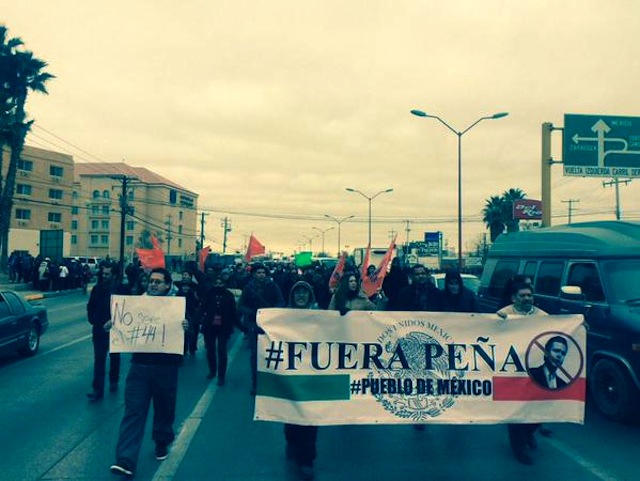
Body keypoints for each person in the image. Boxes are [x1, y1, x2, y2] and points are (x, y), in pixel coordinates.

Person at [109, 268, 189, 477]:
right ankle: (125, 460)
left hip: (165, 367)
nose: (153, 284)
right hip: (139, 368)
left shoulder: (177, 306)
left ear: (167, 285)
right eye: (151, 281)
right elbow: (124, 325)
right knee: (133, 412)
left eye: (158, 281)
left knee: (164, 410)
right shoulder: (135, 305)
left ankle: (162, 440)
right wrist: (113, 325)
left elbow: (188, 329)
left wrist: (187, 325)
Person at [496, 281, 548, 465]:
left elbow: (559, 329)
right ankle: (519, 449)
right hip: (512, 370)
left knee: (538, 409)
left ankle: (527, 434)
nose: (527, 298)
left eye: (529, 295)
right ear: (514, 298)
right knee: (516, 409)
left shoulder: (542, 316)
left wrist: (580, 327)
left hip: (534, 369)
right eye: (522, 295)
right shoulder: (503, 314)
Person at [392, 264, 443, 431]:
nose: (421, 276)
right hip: (412, 341)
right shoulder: (404, 293)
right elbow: (397, 315)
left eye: (423, 273)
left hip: (432, 341)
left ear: (427, 275)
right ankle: (417, 410)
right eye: (417, 274)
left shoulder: (437, 294)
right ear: (412, 276)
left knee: (430, 375)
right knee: (415, 376)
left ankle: (428, 406)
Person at [283, 281, 319, 480]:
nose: (301, 296)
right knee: (292, 415)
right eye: (297, 292)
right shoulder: (282, 317)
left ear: (310, 296)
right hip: (290, 374)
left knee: (311, 417)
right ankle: (291, 440)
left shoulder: (320, 316)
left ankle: (307, 460)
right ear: (292, 296)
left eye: (305, 292)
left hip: (312, 374)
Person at [238, 262, 285, 396]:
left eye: (263, 273)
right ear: (253, 274)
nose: (261, 275)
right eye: (258, 273)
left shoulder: (272, 286)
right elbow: (241, 305)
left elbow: (281, 301)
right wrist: (252, 313)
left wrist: (272, 311)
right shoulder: (249, 288)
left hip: (270, 325)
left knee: (272, 353)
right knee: (255, 355)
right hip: (254, 325)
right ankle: (256, 383)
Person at [86, 262, 128, 402]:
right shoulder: (97, 289)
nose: (104, 276)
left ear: (113, 275)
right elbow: (90, 306)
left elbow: (126, 308)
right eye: (103, 274)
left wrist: (114, 321)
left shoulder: (121, 289)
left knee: (115, 356)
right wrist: (94, 320)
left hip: (115, 330)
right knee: (99, 359)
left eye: (107, 274)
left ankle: (114, 380)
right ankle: (97, 389)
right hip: (98, 329)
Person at [200, 275, 242, 384]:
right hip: (209, 325)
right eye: (216, 283)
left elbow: (234, 312)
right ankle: (212, 371)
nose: (218, 285)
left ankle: (221, 376)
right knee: (210, 350)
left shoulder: (229, 295)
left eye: (221, 283)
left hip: (224, 326)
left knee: (222, 350)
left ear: (224, 284)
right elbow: (202, 309)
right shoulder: (209, 294)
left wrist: (241, 327)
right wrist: (194, 322)